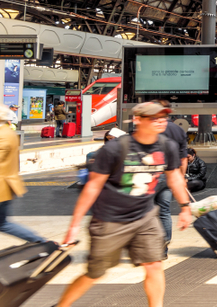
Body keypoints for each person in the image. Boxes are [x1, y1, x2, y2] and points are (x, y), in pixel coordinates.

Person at [56, 102, 192, 307]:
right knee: (95, 273)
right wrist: (73, 227)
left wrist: (185, 206)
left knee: (155, 265)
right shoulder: (115, 148)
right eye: (154, 118)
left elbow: (174, 178)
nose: (161, 121)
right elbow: (92, 187)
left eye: (163, 117)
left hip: (145, 217)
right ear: (137, 120)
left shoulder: (167, 146)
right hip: (110, 220)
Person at [0, 103, 44, 243]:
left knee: (3, 224)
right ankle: (39, 241)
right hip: (4, 185)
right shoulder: (7, 132)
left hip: (2, 186)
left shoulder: (3, 136)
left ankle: (40, 242)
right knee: (3, 224)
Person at [152, 100, 187, 256]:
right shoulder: (178, 131)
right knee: (164, 211)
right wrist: (181, 177)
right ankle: (163, 249)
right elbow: (183, 158)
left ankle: (149, 247)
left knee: (146, 211)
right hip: (169, 175)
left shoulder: (149, 126)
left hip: (150, 176)